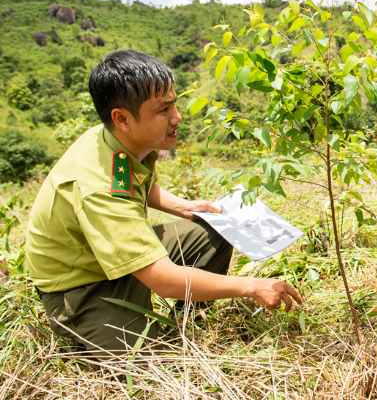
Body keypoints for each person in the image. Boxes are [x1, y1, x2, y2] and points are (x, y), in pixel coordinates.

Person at [26, 50, 301, 353]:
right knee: (152, 365)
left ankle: (190, 317)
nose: (177, 117)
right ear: (122, 118)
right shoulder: (97, 185)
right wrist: (251, 286)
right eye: (163, 109)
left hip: (113, 253)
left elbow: (142, 181)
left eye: (174, 103)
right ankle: (99, 329)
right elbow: (162, 279)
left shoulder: (121, 139)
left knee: (214, 228)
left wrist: (182, 206)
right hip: (83, 283)